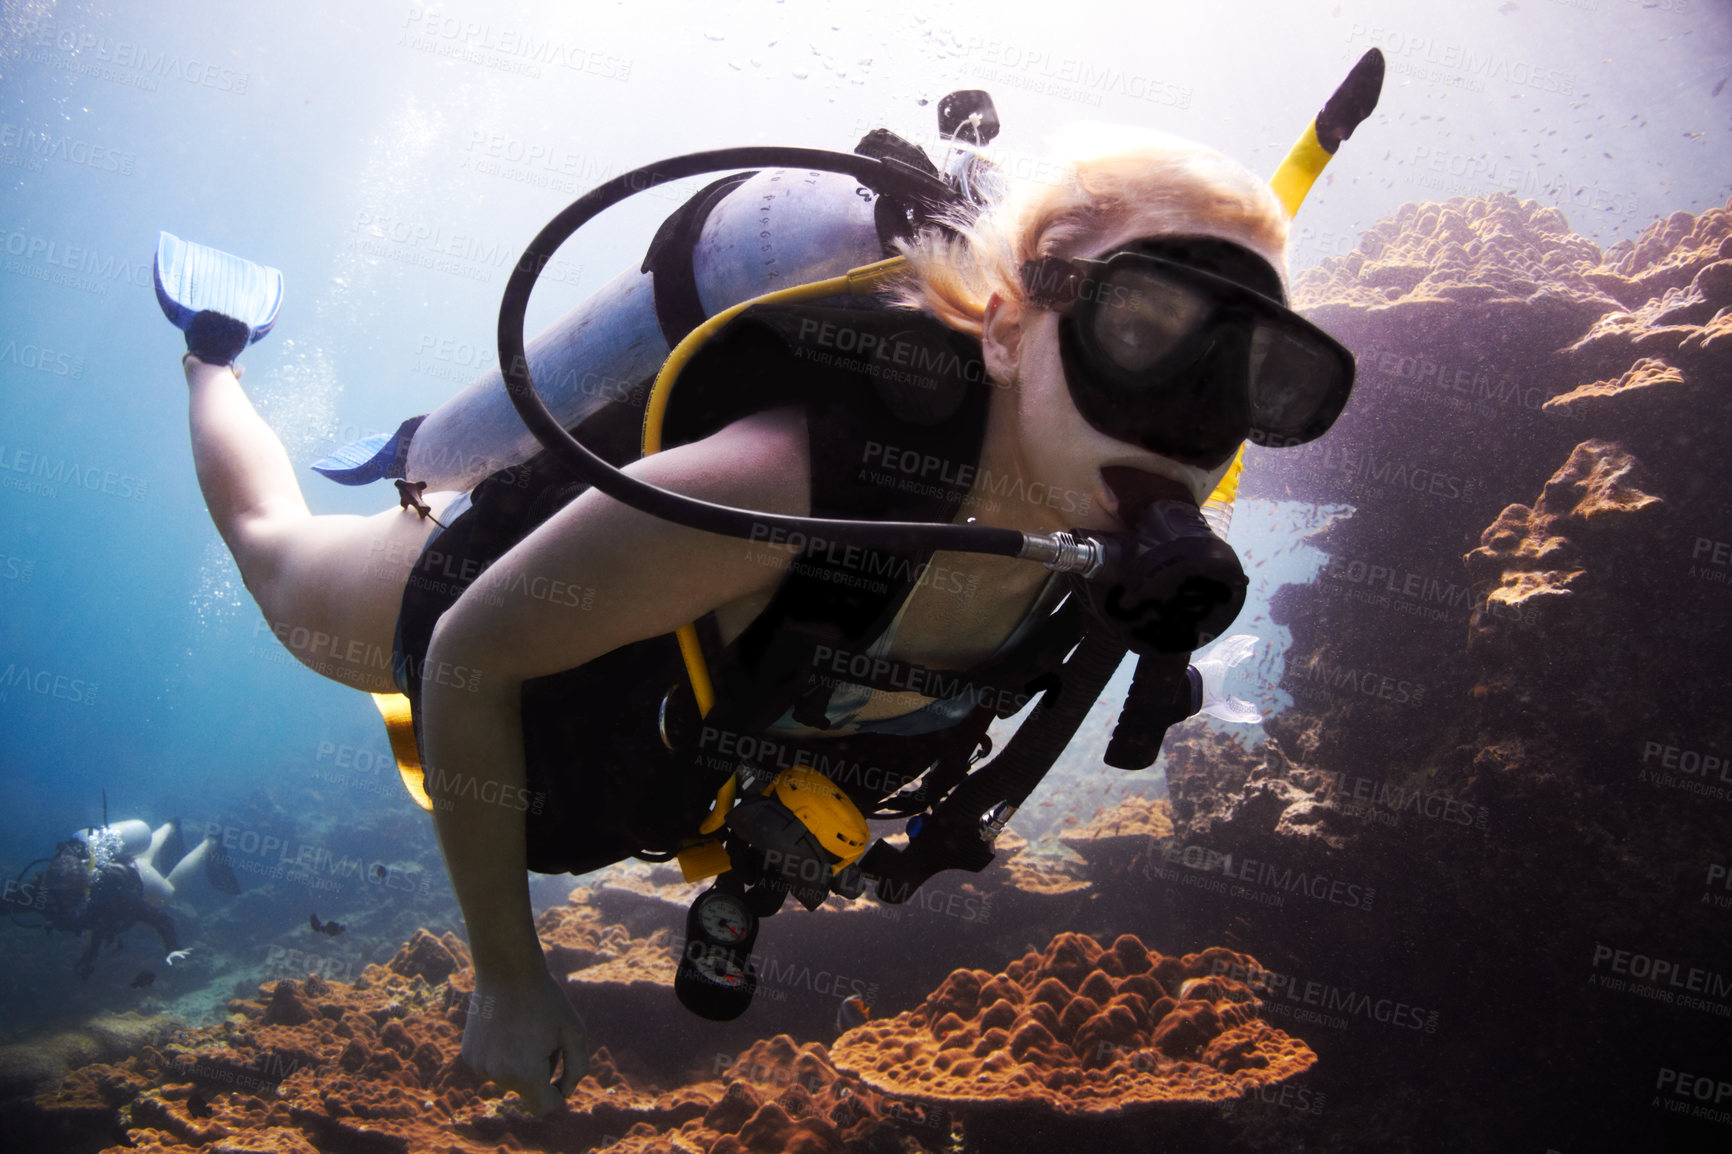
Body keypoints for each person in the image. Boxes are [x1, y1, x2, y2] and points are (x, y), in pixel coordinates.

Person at [168, 122, 1348, 1112]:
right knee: (277, 566)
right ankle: (214, 352)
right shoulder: (779, 489)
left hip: (684, 710)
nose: (1182, 421)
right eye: (1140, 328)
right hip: (480, 591)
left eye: (1257, 378)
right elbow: (473, 655)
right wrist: (505, 973)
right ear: (1004, 326)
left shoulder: (1121, 533)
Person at [37, 820, 213, 977]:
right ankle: (169, 826)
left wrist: (172, 948)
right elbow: (99, 919)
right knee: (143, 858)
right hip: (120, 864)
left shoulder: (116, 897)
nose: (65, 903)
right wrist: (92, 952)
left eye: (70, 897)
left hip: (137, 876)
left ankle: (209, 842)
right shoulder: (58, 886)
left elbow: (160, 919)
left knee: (168, 892)